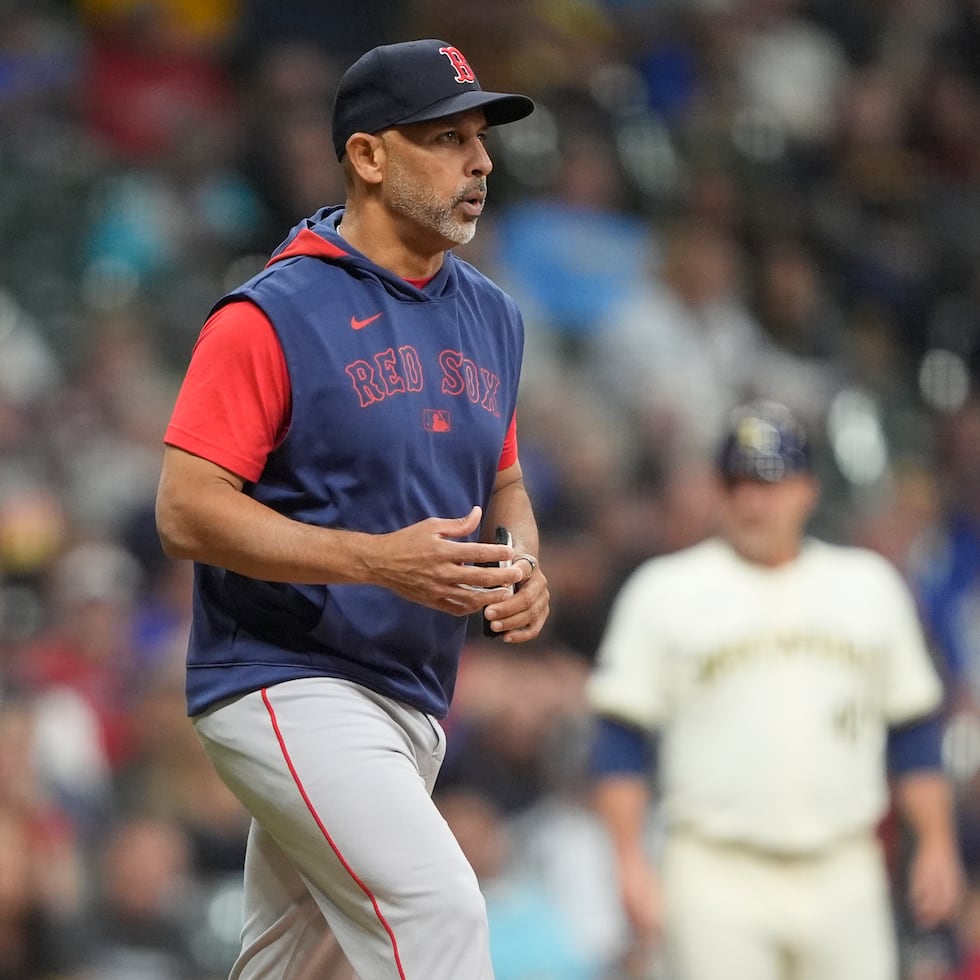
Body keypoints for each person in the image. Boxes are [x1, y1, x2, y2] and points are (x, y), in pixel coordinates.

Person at [154, 38, 549, 979]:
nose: (481, 161)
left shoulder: (492, 314)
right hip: (286, 677)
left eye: (480, 139)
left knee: (293, 966)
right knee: (439, 912)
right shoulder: (271, 314)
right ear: (368, 157)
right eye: (447, 138)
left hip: (410, 695)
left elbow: (507, 484)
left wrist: (523, 561)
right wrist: (375, 561)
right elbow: (184, 511)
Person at [586, 399, 963, 980]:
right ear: (718, 489)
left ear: (807, 489)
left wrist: (936, 841)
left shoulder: (869, 586)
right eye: (737, 484)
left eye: (771, 482)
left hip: (846, 866)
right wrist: (630, 859)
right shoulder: (664, 591)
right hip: (716, 870)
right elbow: (619, 739)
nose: (752, 501)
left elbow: (912, 727)